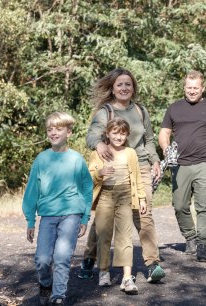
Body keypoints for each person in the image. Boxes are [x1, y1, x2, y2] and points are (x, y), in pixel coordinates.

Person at [79, 68, 165, 283]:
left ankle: (152, 263)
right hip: (112, 167)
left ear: (133, 87)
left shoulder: (141, 111)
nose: (124, 88)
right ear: (113, 88)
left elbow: (150, 140)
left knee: (144, 214)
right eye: (120, 84)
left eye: (128, 84)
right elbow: (92, 135)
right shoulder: (105, 112)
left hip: (141, 166)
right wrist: (99, 143)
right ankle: (90, 257)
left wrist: (155, 160)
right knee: (104, 218)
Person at [158, 70, 206, 262]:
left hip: (205, 162)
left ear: (202, 88)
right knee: (179, 205)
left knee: (205, 205)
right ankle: (190, 238)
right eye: (189, 87)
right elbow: (164, 133)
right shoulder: (174, 108)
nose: (192, 91)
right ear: (184, 87)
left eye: (195, 88)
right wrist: (166, 149)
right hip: (180, 164)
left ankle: (203, 243)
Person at [22, 112, 93, 306]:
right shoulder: (42, 159)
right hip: (48, 215)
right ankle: (46, 284)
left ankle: (58, 295)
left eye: (58, 129)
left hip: (72, 213)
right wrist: (30, 220)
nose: (53, 133)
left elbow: (87, 188)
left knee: (62, 256)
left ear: (69, 132)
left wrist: (85, 217)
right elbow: (32, 191)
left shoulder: (76, 159)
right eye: (49, 129)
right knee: (43, 259)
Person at [89, 118, 146, 294]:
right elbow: (88, 177)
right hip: (105, 196)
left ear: (127, 134)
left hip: (125, 197)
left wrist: (142, 198)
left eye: (122, 133)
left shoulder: (130, 153)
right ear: (107, 134)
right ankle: (104, 271)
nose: (118, 137)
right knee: (103, 235)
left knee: (125, 237)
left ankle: (127, 278)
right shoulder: (98, 153)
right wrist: (100, 173)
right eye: (114, 133)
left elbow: (137, 177)